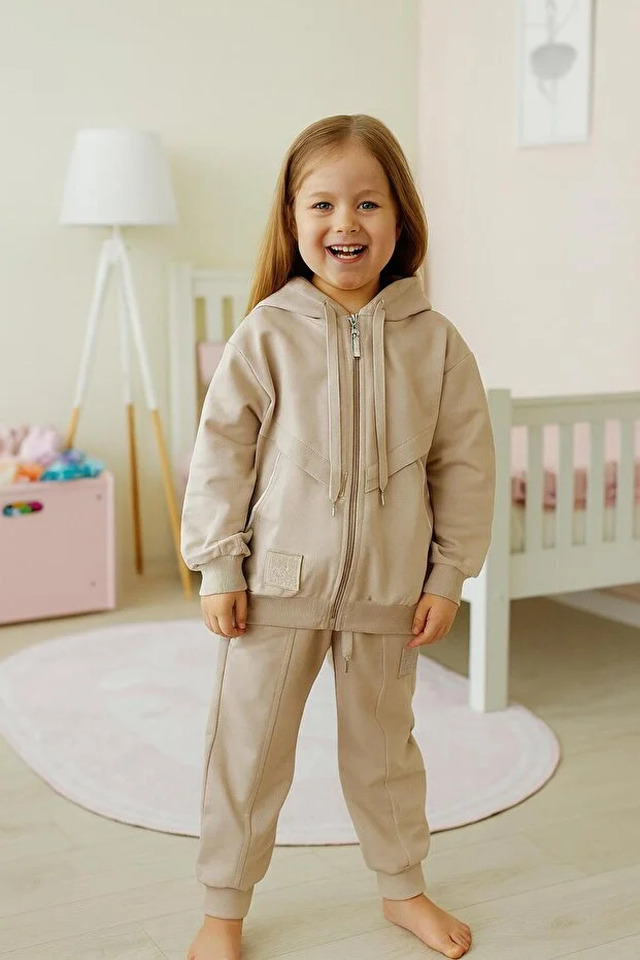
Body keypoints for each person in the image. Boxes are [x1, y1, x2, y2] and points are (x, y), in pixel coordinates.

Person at [181, 113, 496, 960]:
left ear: (400, 217)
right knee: (247, 752)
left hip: (390, 593)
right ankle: (223, 909)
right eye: (321, 204)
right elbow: (221, 454)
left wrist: (447, 576)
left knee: (385, 754)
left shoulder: (437, 343)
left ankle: (403, 889)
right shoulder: (266, 332)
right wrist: (219, 566)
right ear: (292, 219)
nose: (344, 223)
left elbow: (465, 467)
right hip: (275, 589)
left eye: (367, 203)